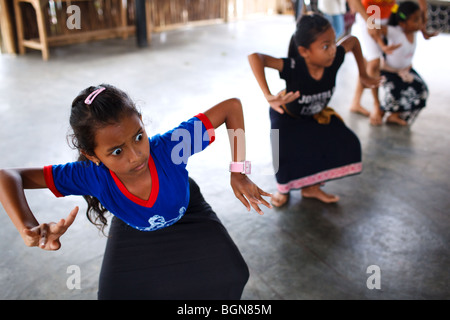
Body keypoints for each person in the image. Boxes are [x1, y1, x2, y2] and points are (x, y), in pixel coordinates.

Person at [0, 84, 272, 299]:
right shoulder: (90, 175)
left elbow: (231, 108)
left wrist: (239, 170)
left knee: (233, 274)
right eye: (116, 151)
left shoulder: (170, 149)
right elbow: (8, 175)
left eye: (139, 136)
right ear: (91, 155)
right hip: (135, 224)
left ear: (141, 121)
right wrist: (27, 226)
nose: (136, 156)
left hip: (188, 212)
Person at [248, 13, 381, 207]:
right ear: (304, 51)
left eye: (334, 43)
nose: (333, 51)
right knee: (284, 157)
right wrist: (268, 94)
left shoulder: (334, 60)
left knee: (341, 143)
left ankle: (311, 188)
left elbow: (352, 41)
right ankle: (283, 191)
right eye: (325, 46)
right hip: (286, 117)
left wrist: (363, 74)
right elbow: (256, 57)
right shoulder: (293, 67)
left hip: (315, 115)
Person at [347, 0, 429, 125]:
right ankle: (376, 105)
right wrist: (370, 22)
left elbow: (422, 3)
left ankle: (356, 102)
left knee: (373, 62)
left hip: (389, 14)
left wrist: (423, 20)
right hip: (370, 13)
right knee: (374, 62)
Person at [376, 1, 435, 125]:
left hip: (406, 70)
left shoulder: (414, 31)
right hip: (389, 71)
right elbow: (373, 28)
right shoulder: (393, 31)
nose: (419, 23)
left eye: (420, 19)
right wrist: (374, 10)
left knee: (422, 90)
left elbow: (423, 13)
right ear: (402, 23)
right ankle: (380, 113)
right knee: (395, 91)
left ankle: (395, 115)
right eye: (415, 20)